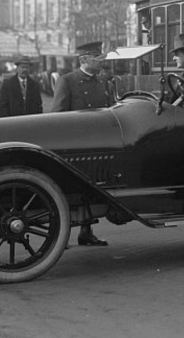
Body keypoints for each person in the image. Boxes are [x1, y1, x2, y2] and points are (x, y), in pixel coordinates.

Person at [51, 42, 111, 246]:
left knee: (91, 191)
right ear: (83, 59)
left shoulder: (103, 82)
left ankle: (86, 232)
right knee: (69, 192)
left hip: (99, 144)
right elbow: (57, 117)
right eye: (97, 58)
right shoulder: (67, 81)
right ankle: (60, 237)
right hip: (75, 145)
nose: (101, 62)